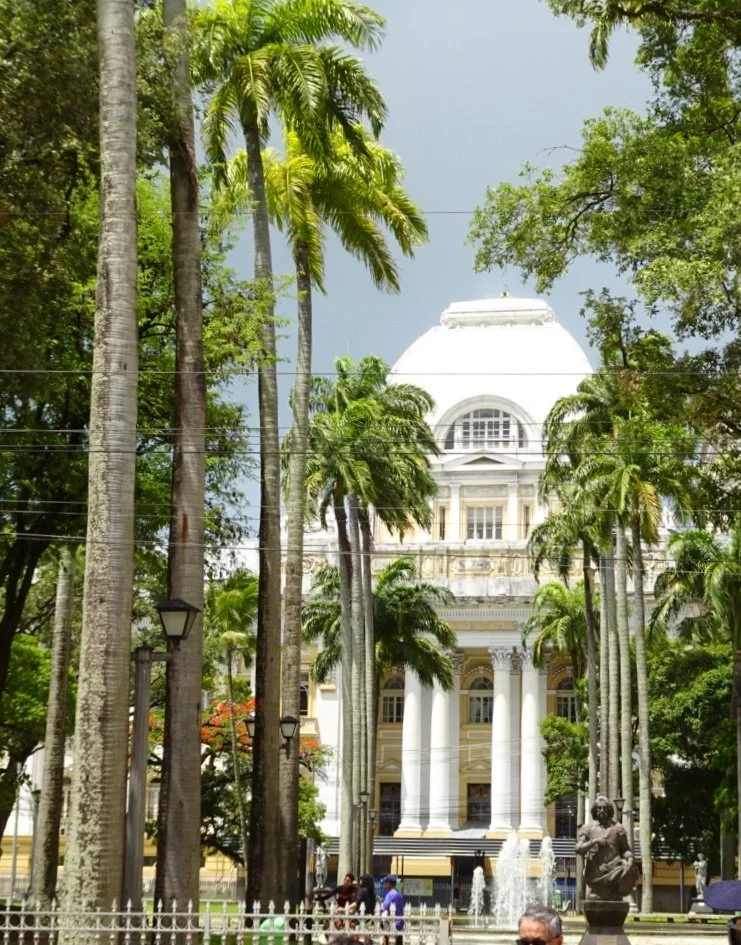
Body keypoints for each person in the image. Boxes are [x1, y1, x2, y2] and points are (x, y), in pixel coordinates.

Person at [574, 795, 639, 901]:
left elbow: (625, 849)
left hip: (615, 869)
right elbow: (578, 848)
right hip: (595, 872)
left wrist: (630, 858)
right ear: (595, 810)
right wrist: (594, 841)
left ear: (609, 810)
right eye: (599, 808)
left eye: (604, 808)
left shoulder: (618, 828)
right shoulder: (588, 828)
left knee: (630, 869)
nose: (602, 810)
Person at [380, 875, 404, 945]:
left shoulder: (390, 894)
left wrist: (380, 904)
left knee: (387, 940)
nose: (384, 884)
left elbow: (383, 907)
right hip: (400, 922)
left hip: (390, 923)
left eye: (385, 883)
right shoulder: (399, 894)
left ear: (389, 883)